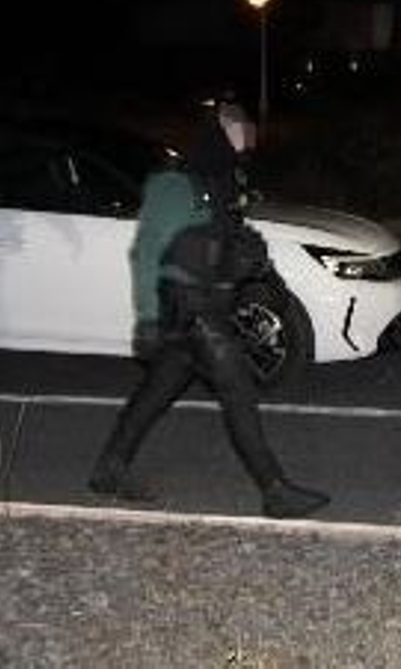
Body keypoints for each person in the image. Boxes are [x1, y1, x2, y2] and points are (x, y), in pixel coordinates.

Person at [89, 105, 329, 519]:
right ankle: (274, 490)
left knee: (158, 391)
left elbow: (229, 238)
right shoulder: (174, 184)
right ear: (220, 132)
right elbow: (145, 252)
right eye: (241, 133)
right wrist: (146, 318)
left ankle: (109, 469)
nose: (248, 142)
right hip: (190, 307)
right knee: (238, 389)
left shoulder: (222, 181)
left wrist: (260, 269)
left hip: (207, 305)